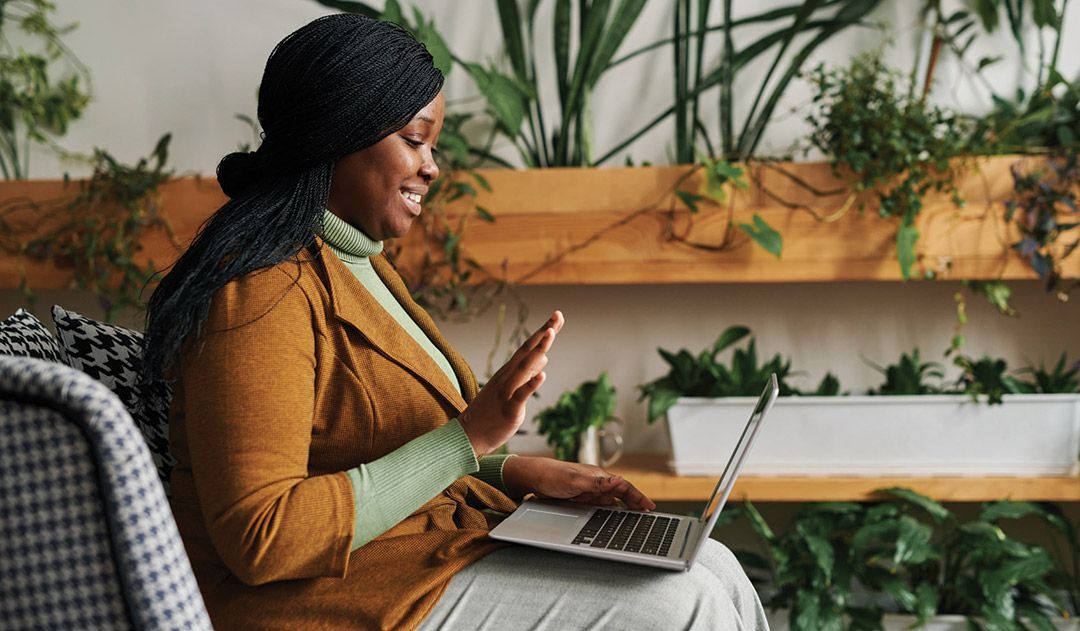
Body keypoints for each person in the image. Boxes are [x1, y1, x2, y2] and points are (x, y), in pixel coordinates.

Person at [142, 13, 769, 631]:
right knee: (684, 605)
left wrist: (512, 468)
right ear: (338, 133)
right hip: (315, 600)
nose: (432, 167)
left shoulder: (356, 261)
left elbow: (365, 444)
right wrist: (469, 439)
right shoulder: (261, 288)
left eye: (432, 146)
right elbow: (265, 536)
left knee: (713, 563)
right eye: (414, 141)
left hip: (411, 556)